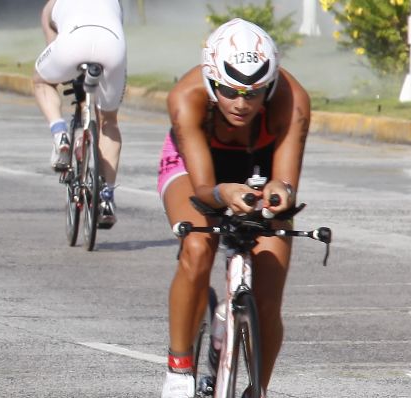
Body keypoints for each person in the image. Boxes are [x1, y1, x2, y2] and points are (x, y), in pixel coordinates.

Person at [157, 18, 311, 398]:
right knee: (197, 247)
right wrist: (224, 195)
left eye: (255, 93)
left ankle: (257, 389)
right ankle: (179, 369)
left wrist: (279, 193)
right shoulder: (185, 97)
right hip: (200, 168)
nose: (241, 104)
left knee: (270, 284)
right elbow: (205, 188)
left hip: (259, 166)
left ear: (270, 86)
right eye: (229, 91)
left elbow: (286, 181)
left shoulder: (293, 100)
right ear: (212, 82)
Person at [33, 0, 126, 226]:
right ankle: (106, 198)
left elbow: (51, 43)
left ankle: (60, 134)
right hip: (111, 46)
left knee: (40, 82)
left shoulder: (51, 6)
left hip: (71, 44)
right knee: (109, 122)